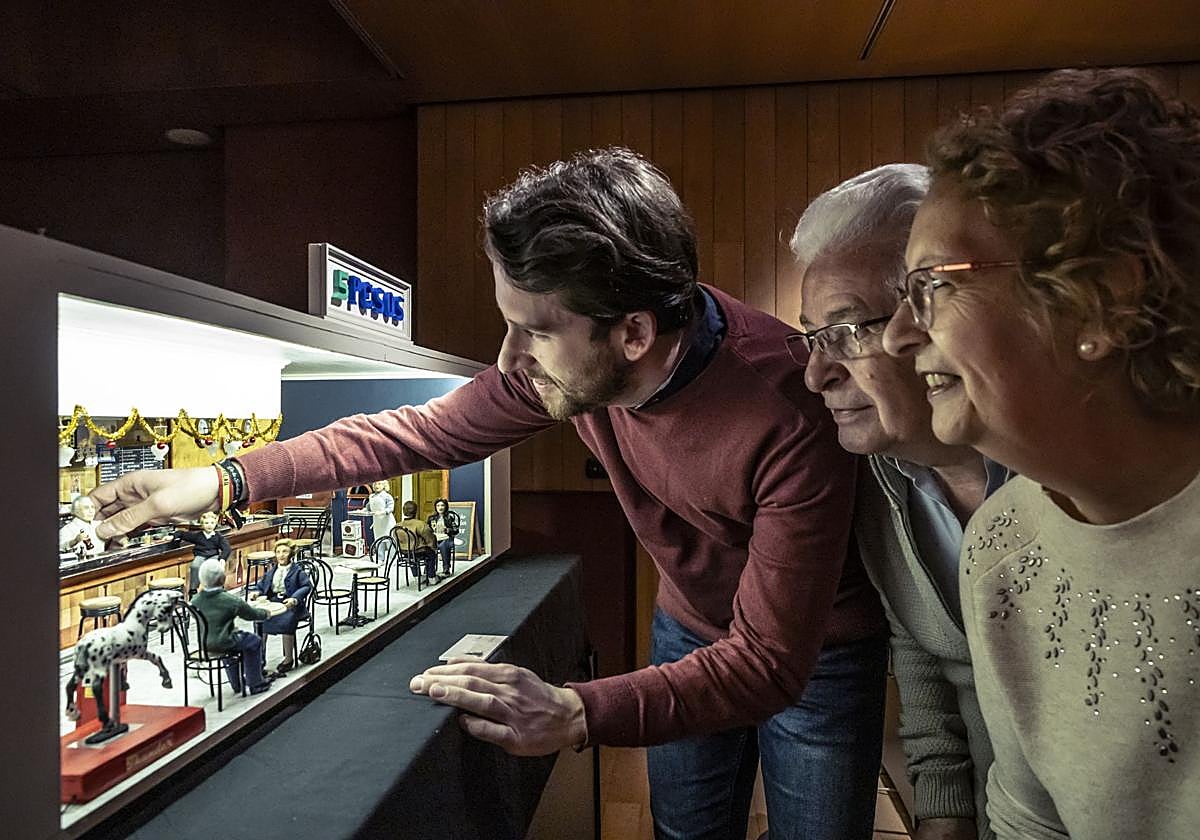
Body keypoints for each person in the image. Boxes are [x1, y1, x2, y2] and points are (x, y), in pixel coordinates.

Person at [90, 147, 885, 840]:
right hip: (690, 623)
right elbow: (414, 434)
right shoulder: (566, 364)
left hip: (815, 652)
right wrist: (222, 479)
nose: (508, 361)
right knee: (684, 826)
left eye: (533, 330)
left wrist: (576, 713)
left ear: (633, 334)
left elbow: (770, 663)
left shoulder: (789, 403)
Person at [882, 68, 1200, 840]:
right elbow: (1029, 821)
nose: (895, 335)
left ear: (1103, 299)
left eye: (931, 285)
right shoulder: (998, 545)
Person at [793, 164, 1007, 840]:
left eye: (848, 331)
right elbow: (921, 652)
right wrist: (943, 811)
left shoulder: (1066, 473)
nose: (816, 373)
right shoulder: (876, 478)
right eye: (811, 335)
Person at [192, 558, 273, 695]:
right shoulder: (230, 600)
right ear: (223, 578)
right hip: (226, 640)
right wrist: (266, 613)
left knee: (227, 646)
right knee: (254, 641)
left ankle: (236, 684)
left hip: (205, 644)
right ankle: (256, 683)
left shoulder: (195, 601)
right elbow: (251, 614)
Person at [251, 539, 312, 675]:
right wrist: (256, 592)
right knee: (260, 621)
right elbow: (262, 585)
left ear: (291, 553)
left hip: (290, 605)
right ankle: (260, 659)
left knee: (287, 621)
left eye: (284, 551)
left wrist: (294, 599)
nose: (281, 555)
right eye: (278, 552)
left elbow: (306, 586)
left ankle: (288, 658)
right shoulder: (272, 571)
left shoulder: (297, 571)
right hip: (273, 602)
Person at [174, 510, 232, 594]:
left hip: (213, 556)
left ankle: (217, 588)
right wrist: (173, 536)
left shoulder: (218, 536)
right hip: (201, 555)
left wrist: (222, 559)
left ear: (215, 524)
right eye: (207, 523)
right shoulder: (198, 536)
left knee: (214, 567)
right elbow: (182, 534)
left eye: (212, 523)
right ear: (202, 524)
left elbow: (227, 548)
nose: (209, 525)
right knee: (195, 566)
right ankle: (193, 589)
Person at [395, 501, 438, 583]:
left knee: (411, 555)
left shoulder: (397, 526)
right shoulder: (420, 524)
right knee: (431, 553)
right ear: (416, 511)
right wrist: (433, 547)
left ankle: (417, 576)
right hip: (418, 551)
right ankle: (431, 577)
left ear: (404, 511)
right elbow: (430, 538)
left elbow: (397, 540)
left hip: (404, 552)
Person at [427, 498, 458, 577]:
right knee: (428, 546)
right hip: (435, 539)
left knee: (443, 545)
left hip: (447, 539)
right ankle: (429, 570)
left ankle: (446, 569)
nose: (440, 508)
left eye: (442, 505)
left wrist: (448, 530)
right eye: (438, 506)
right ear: (435, 507)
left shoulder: (449, 517)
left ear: (445, 507)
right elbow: (427, 529)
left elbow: (456, 530)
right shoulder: (431, 518)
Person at [366, 479, 396, 546]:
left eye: (379, 484)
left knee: (390, 543)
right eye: (375, 484)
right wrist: (363, 510)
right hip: (377, 524)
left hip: (387, 523)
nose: (377, 486)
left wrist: (382, 512)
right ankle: (379, 557)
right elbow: (369, 507)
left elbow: (391, 508)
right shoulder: (372, 496)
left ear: (384, 485)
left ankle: (392, 557)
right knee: (379, 543)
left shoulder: (387, 496)